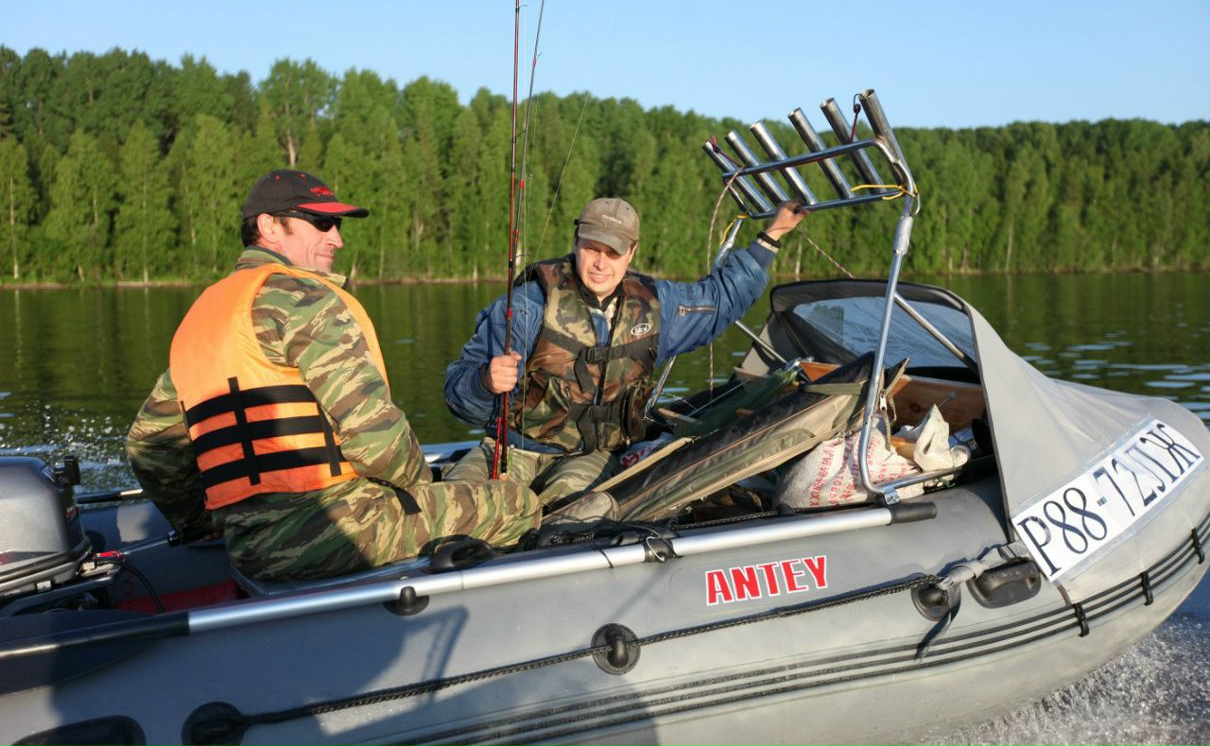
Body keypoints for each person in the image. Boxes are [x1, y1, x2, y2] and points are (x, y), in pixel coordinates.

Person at [127, 170, 541, 581]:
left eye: (337, 224)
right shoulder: (303, 300)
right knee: (517, 503)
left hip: (246, 545)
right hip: (338, 527)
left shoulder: (201, 317)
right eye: (321, 223)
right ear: (270, 226)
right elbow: (377, 442)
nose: (337, 238)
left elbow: (149, 446)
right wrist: (420, 488)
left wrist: (205, 524)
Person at [443, 196, 807, 508]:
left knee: (572, 513)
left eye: (613, 252)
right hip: (511, 452)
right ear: (576, 242)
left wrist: (770, 237)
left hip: (589, 459)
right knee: (452, 508)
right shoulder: (527, 306)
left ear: (631, 252)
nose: (601, 263)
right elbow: (459, 400)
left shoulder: (658, 306)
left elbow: (720, 300)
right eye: (592, 248)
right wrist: (483, 383)